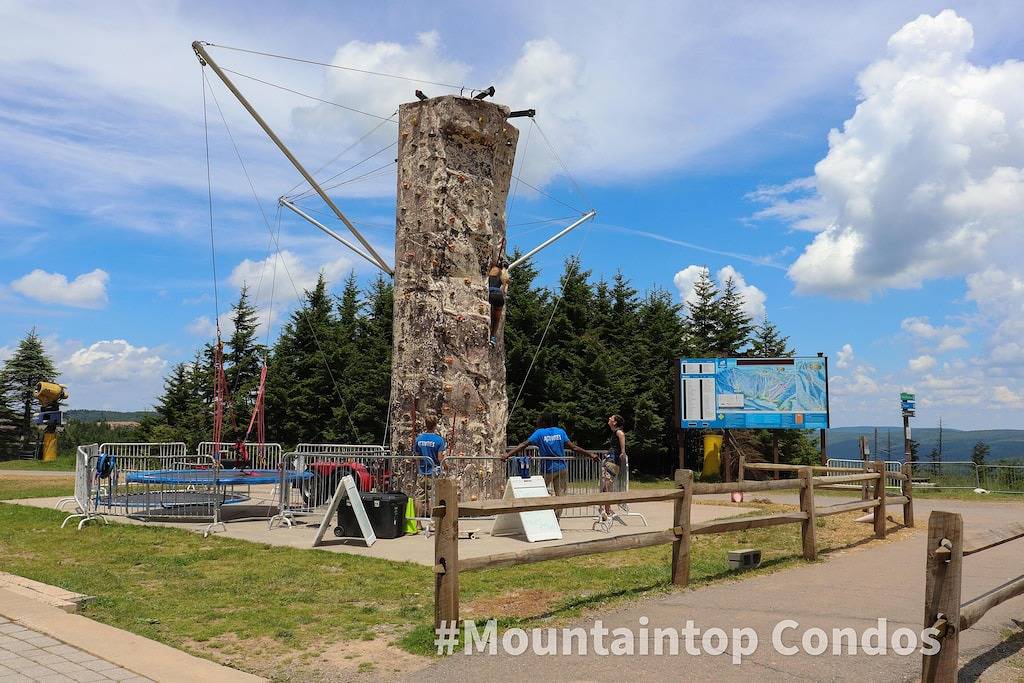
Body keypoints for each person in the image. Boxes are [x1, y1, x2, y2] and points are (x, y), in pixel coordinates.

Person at [503, 412, 594, 518]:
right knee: (561, 497)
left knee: (539, 493)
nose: (537, 422)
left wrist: (508, 454)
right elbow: (574, 447)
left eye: (539, 420)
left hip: (547, 469)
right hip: (561, 468)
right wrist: (590, 454)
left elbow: (524, 444)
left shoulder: (539, 433)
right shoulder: (560, 432)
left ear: (543, 422)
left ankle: (541, 516)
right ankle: (556, 519)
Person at [413, 415, 447, 516]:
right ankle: (433, 521)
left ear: (426, 424)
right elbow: (440, 457)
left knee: (420, 497)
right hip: (434, 472)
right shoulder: (439, 440)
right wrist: (445, 466)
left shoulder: (419, 439)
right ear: (435, 425)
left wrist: (419, 469)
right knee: (433, 497)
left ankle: (418, 522)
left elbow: (417, 456)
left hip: (422, 471)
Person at [600, 415, 628, 520]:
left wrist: (623, 452)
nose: (609, 419)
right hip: (611, 461)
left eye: (611, 418)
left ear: (615, 422)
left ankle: (607, 511)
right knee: (606, 486)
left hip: (612, 463)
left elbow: (622, 435)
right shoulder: (614, 432)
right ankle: (607, 510)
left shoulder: (618, 431)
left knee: (606, 486)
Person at [487, 258, 510, 348]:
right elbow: (505, 289)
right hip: (499, 297)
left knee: (490, 315)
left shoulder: (492, 270)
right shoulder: (504, 275)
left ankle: (488, 332)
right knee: (496, 320)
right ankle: (492, 337)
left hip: (490, 293)